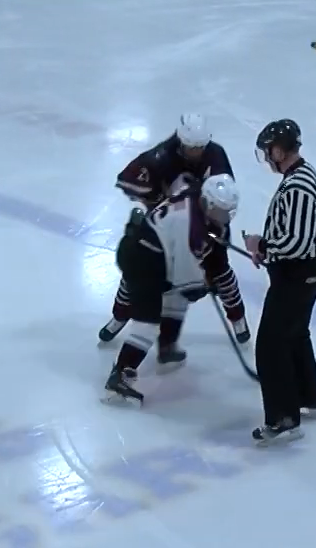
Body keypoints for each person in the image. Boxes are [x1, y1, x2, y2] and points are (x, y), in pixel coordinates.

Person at [103, 113, 250, 345]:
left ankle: (238, 319)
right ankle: (119, 316)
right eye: (192, 147)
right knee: (137, 273)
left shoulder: (216, 154)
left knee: (221, 271)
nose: (197, 151)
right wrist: (158, 204)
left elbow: (225, 194)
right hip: (168, 229)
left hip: (209, 226)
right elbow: (129, 181)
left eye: (201, 146)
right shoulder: (161, 156)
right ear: (181, 141)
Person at [102, 174, 241, 407]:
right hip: (142, 262)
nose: (225, 218)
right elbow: (187, 280)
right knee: (147, 323)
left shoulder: (196, 200)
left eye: (229, 212)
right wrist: (207, 286)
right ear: (208, 203)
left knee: (176, 300)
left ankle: (167, 347)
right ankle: (120, 374)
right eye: (221, 211)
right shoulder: (189, 227)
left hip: (154, 255)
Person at [241, 119, 316, 445]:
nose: (267, 158)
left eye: (268, 151)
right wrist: (267, 245)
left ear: (279, 150)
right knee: (294, 334)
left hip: (297, 274)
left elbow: (298, 243)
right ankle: (308, 398)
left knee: (270, 344)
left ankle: (283, 418)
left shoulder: (298, 187)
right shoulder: (301, 176)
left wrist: (263, 247)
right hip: (300, 272)